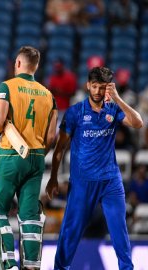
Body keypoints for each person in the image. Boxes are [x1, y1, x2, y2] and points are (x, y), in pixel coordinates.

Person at [46, 66, 143, 269]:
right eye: (95, 86)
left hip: (110, 181)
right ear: (88, 85)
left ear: (109, 88)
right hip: (82, 182)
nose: (98, 92)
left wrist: (117, 98)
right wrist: (54, 178)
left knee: (119, 230)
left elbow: (138, 123)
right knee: (70, 233)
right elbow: (59, 149)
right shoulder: (75, 112)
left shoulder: (113, 109)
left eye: (103, 88)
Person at [0, 46, 58, 269]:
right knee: (30, 215)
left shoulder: (8, 86)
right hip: (37, 157)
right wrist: (38, 155)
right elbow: (52, 137)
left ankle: (8, 264)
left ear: (18, 63)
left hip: (11, 154)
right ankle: (32, 265)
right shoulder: (49, 96)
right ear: (36, 66)